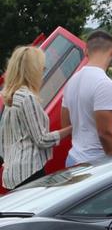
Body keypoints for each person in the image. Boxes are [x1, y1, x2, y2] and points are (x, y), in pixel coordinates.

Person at [1, 45, 72, 188]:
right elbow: (42, 140)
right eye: (41, 68)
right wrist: (72, 128)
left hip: (12, 172)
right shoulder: (27, 98)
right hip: (29, 171)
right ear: (32, 70)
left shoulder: (10, 96)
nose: (42, 72)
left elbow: (3, 140)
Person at [60, 29, 112, 165]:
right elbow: (105, 133)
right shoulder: (104, 83)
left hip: (73, 159)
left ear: (85, 51)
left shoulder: (71, 81)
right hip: (96, 164)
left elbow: (66, 124)